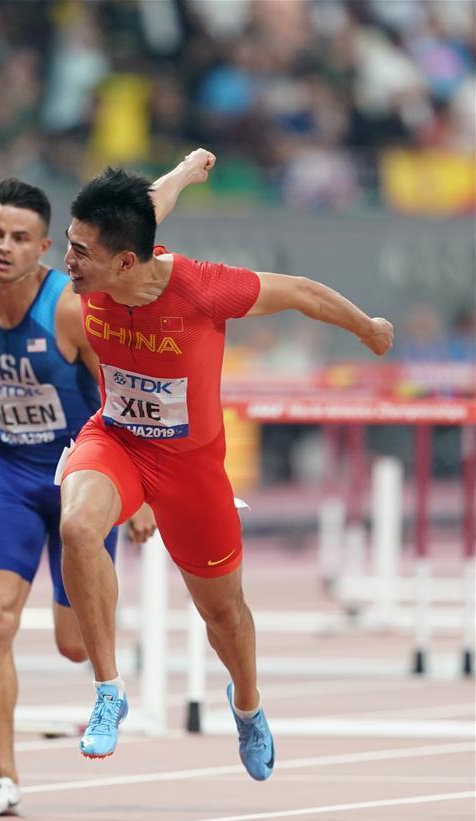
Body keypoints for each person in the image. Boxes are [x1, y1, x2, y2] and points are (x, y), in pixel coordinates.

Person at [58, 166, 395, 780]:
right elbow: (153, 201)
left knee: (224, 615)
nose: (68, 262)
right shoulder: (103, 266)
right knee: (79, 526)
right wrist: (187, 170)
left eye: (81, 252)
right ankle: (109, 691)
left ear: (127, 261)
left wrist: (367, 329)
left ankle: (248, 705)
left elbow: (300, 291)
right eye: (69, 243)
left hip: (190, 472)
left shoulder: (202, 289)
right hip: (116, 441)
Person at [0, 150, 217, 816]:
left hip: (80, 476)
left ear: (44, 249)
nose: (4, 246)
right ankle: (3, 778)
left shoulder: (71, 308)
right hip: (11, 476)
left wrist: (137, 487)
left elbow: (116, 389)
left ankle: (110, 659)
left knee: (73, 646)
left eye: (19, 237)